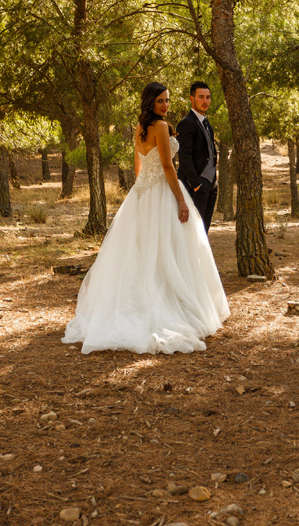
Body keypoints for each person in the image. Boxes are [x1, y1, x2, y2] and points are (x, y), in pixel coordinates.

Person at [62, 82, 230, 354]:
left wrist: (141, 192)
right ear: (150, 102)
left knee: (142, 250)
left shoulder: (141, 128)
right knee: (169, 248)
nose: (165, 105)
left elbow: (139, 166)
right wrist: (179, 199)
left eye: (167, 100)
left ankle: (142, 300)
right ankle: (166, 305)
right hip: (161, 192)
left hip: (141, 195)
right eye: (161, 101)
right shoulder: (161, 127)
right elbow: (166, 166)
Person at [176, 81, 218, 232]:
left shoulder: (206, 124)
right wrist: (196, 184)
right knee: (192, 232)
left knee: (203, 232)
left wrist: (213, 184)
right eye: (201, 97)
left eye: (208, 97)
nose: (205, 101)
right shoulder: (186, 124)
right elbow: (184, 156)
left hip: (211, 186)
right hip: (195, 186)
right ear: (192, 99)